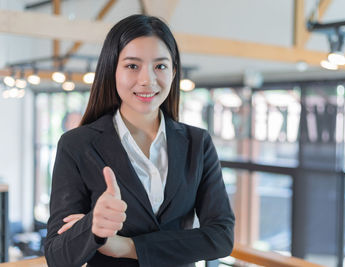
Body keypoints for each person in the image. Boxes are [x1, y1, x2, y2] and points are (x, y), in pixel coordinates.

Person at [44, 14, 235, 267]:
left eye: (160, 66)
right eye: (132, 66)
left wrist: (128, 247)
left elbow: (221, 237)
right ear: (112, 69)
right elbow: (57, 256)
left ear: (174, 71)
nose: (147, 80)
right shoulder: (77, 145)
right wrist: (93, 226)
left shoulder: (198, 143)